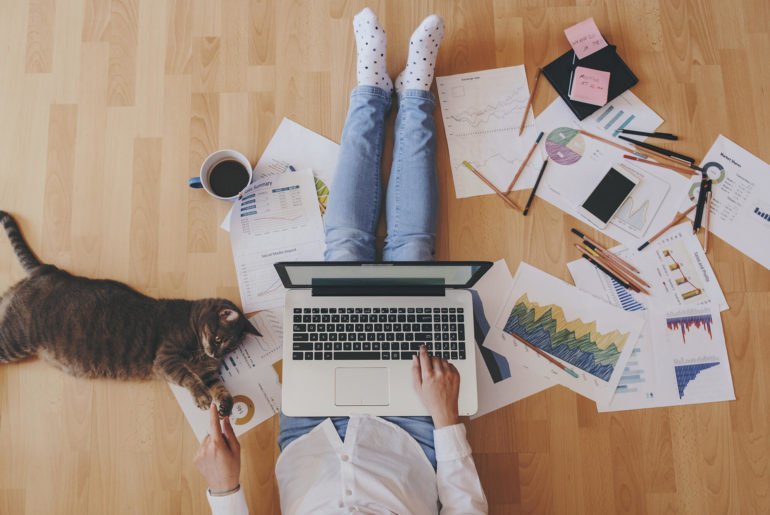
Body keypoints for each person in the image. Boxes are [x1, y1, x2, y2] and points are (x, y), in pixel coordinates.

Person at [194, 9, 488, 514]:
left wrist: (224, 491)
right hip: (413, 431)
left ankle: (371, 87)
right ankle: (416, 92)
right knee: (411, 253)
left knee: (346, 250)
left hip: (312, 430)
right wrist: (446, 421)